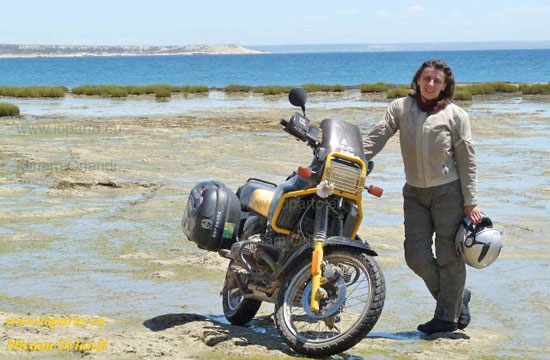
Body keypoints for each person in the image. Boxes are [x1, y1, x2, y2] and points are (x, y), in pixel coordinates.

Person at [362, 59, 483, 334]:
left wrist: (470, 201)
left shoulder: (455, 115)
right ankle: (456, 299)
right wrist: (351, 158)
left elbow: (467, 160)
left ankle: (445, 318)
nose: (430, 84)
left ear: (444, 87)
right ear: (417, 80)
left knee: (448, 256)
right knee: (415, 254)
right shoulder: (401, 108)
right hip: (414, 192)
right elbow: (378, 136)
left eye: (436, 81)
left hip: (448, 192)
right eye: (426, 78)